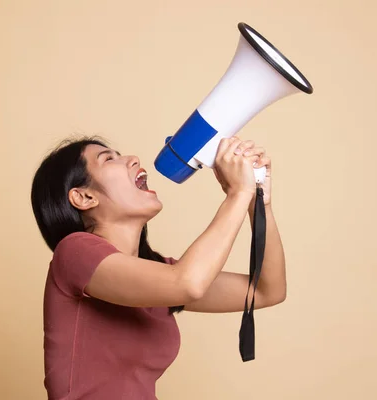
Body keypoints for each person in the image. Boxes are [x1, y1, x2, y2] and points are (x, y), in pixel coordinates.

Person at [30, 135, 287, 399]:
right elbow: (188, 283)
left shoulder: (158, 274)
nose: (133, 159)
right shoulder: (74, 253)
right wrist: (238, 193)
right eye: (109, 159)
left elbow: (267, 291)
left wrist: (259, 203)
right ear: (84, 197)